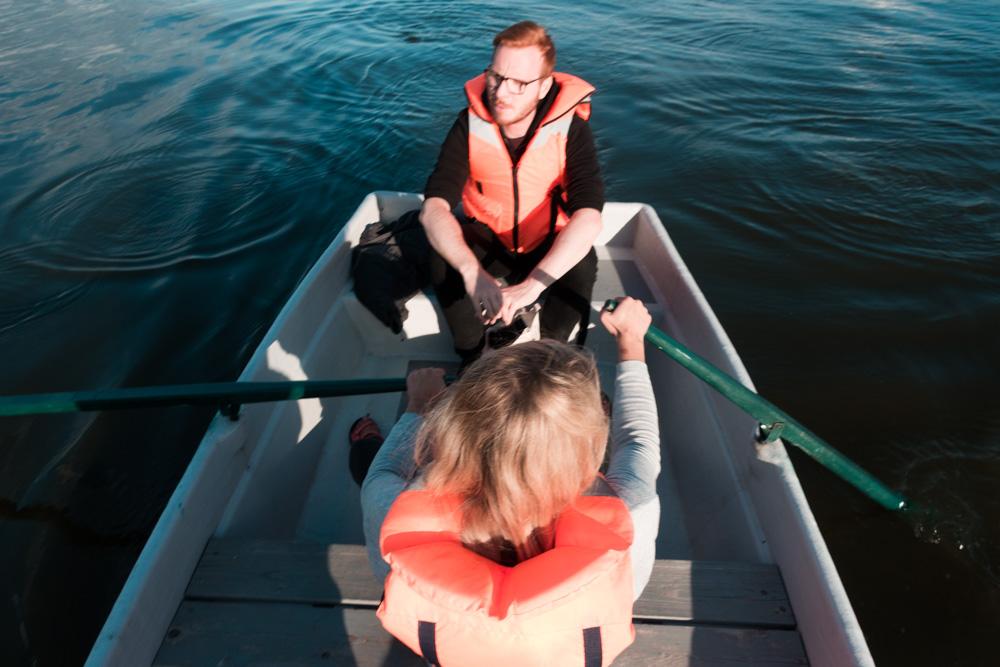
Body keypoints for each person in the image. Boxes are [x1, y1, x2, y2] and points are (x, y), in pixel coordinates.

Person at [358, 298, 660, 666]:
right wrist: (631, 341)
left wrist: (418, 405)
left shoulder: (387, 505)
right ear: (590, 444)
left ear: (452, 429)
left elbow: (383, 473)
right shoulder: (632, 514)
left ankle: (365, 441)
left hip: (450, 649)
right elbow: (637, 441)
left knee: (369, 460)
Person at [421, 20, 605, 367]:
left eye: (520, 83)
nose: (502, 92)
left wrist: (533, 285)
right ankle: (472, 355)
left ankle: (550, 353)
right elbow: (433, 207)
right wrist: (472, 273)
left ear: (543, 86)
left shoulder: (571, 130)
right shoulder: (469, 124)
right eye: (496, 76)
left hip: (543, 244)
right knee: (441, 254)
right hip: (489, 242)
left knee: (583, 260)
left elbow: (589, 216)